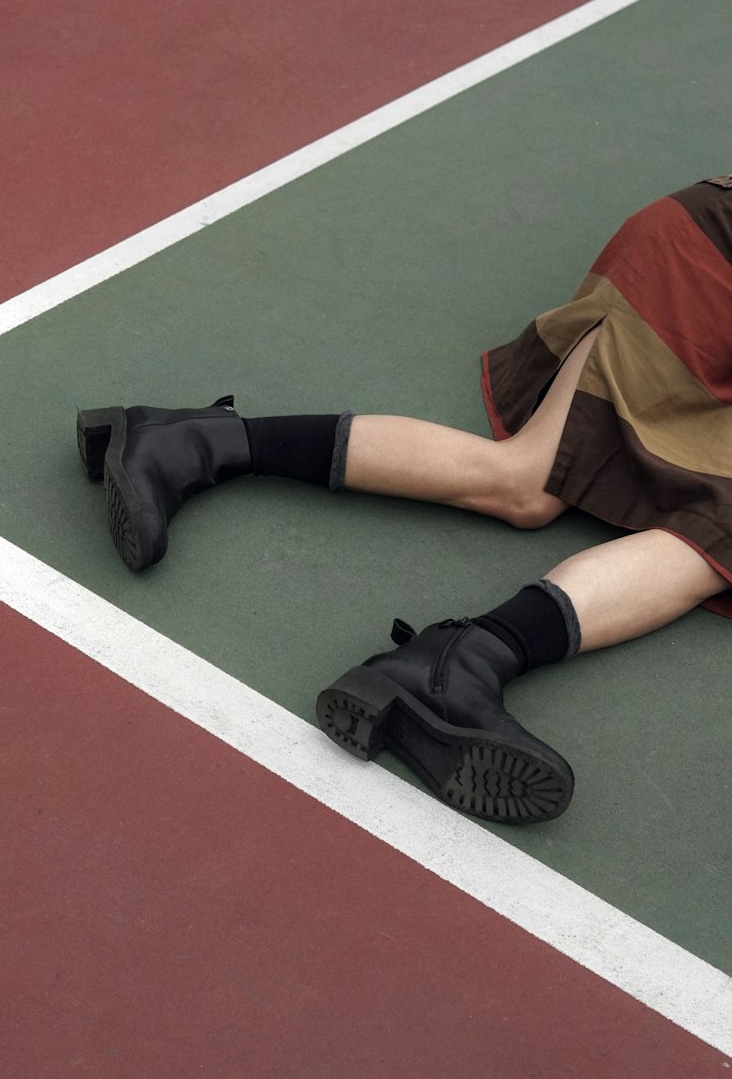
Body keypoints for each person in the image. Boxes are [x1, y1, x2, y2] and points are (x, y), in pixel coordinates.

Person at [77, 176, 732, 826]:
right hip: (708, 262)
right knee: (527, 481)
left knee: (714, 531)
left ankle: (463, 660)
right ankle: (194, 439)